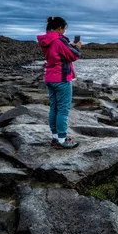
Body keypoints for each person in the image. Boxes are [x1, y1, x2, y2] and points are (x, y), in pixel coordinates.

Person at [37, 16, 81, 149]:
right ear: (60, 28)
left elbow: (60, 53)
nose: (64, 32)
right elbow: (73, 56)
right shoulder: (59, 40)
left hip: (50, 77)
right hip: (61, 78)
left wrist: (70, 46)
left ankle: (55, 137)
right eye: (64, 29)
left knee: (54, 108)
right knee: (63, 109)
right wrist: (77, 47)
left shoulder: (47, 40)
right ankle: (62, 139)